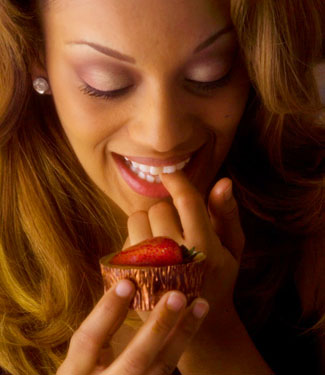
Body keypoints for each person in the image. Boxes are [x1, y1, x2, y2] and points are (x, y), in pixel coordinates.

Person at [0, 0, 324, 374]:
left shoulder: (311, 213)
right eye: (107, 83)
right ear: (37, 54)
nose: (162, 136)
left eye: (209, 74)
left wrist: (212, 335)